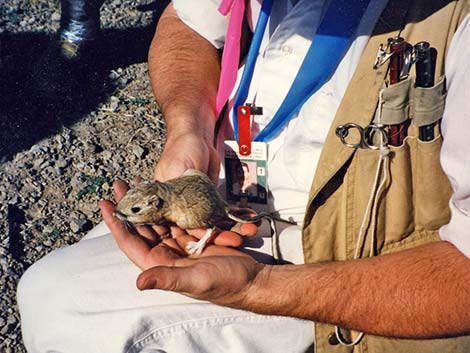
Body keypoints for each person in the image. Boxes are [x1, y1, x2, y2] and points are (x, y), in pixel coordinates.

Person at [17, 0, 470, 352]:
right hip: (230, 203)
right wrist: (187, 129)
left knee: (65, 310)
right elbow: (187, 25)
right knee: (44, 289)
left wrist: (259, 287)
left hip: (355, 258)